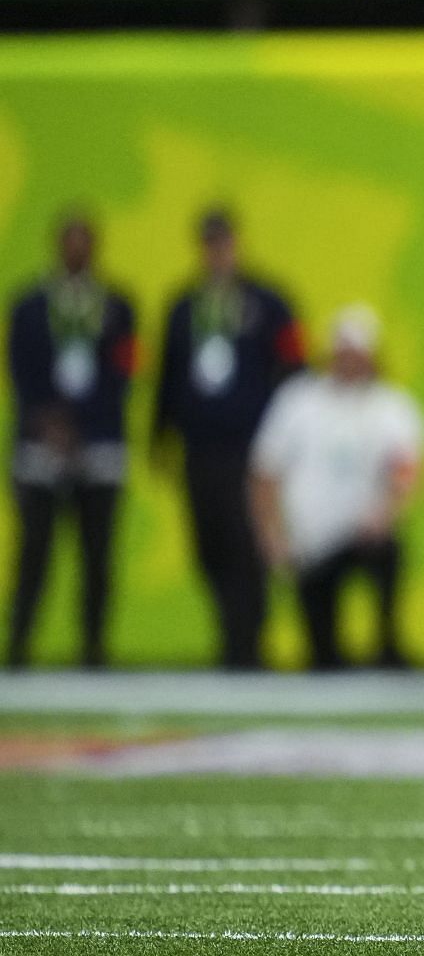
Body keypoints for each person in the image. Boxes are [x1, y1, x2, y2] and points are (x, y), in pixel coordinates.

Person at [152, 207, 305, 670]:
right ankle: (229, 635)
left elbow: (294, 367)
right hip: (201, 448)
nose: (217, 251)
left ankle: (249, 642)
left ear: (237, 244)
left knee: (248, 545)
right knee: (209, 545)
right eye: (209, 243)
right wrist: (160, 433)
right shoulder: (184, 306)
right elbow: (169, 373)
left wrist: (288, 435)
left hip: (252, 449)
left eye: (224, 242)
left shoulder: (268, 303)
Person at [249, 305, 424, 671]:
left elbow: (407, 468)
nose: (349, 364)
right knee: (322, 653)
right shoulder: (298, 401)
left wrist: (385, 513)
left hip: (363, 534)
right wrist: (272, 535)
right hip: (311, 544)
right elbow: (265, 473)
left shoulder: (391, 406)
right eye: (343, 355)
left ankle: (387, 643)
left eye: (357, 356)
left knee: (388, 553)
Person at [5, 211, 137, 669]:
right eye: (70, 240)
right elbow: (20, 370)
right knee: (34, 550)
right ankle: (19, 643)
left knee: (98, 553)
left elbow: (124, 373)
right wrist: (50, 421)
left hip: (99, 447)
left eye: (85, 240)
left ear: (95, 247)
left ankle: (94, 646)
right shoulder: (29, 305)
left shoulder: (118, 306)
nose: (77, 249)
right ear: (58, 245)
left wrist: (83, 425)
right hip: (41, 446)